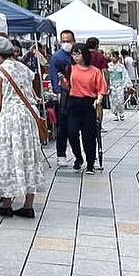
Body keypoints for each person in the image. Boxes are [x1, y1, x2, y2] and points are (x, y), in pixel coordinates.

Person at [0, 37, 45, 218]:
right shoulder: (24, 69)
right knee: (29, 156)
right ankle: (28, 205)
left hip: (11, 117)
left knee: (8, 157)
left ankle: (6, 202)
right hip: (29, 117)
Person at [66, 42, 106, 172]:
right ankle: (78, 157)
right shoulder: (71, 68)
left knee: (88, 135)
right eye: (74, 54)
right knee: (72, 133)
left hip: (89, 103)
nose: (75, 57)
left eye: (78, 54)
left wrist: (99, 99)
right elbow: (67, 86)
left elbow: (101, 88)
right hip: (74, 102)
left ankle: (90, 162)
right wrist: (63, 82)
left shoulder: (95, 71)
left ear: (85, 55)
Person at [51, 30, 75, 165]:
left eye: (68, 41)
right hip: (65, 94)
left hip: (79, 94)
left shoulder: (78, 55)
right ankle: (61, 154)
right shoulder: (57, 57)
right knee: (63, 126)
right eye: (63, 41)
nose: (66, 43)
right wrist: (58, 92)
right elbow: (54, 75)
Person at [107, 54, 128, 122]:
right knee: (113, 100)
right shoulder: (108, 65)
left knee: (120, 99)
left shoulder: (121, 66)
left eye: (115, 57)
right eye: (112, 56)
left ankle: (121, 113)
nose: (113, 58)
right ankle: (115, 113)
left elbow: (125, 75)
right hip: (112, 84)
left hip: (119, 84)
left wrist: (124, 85)